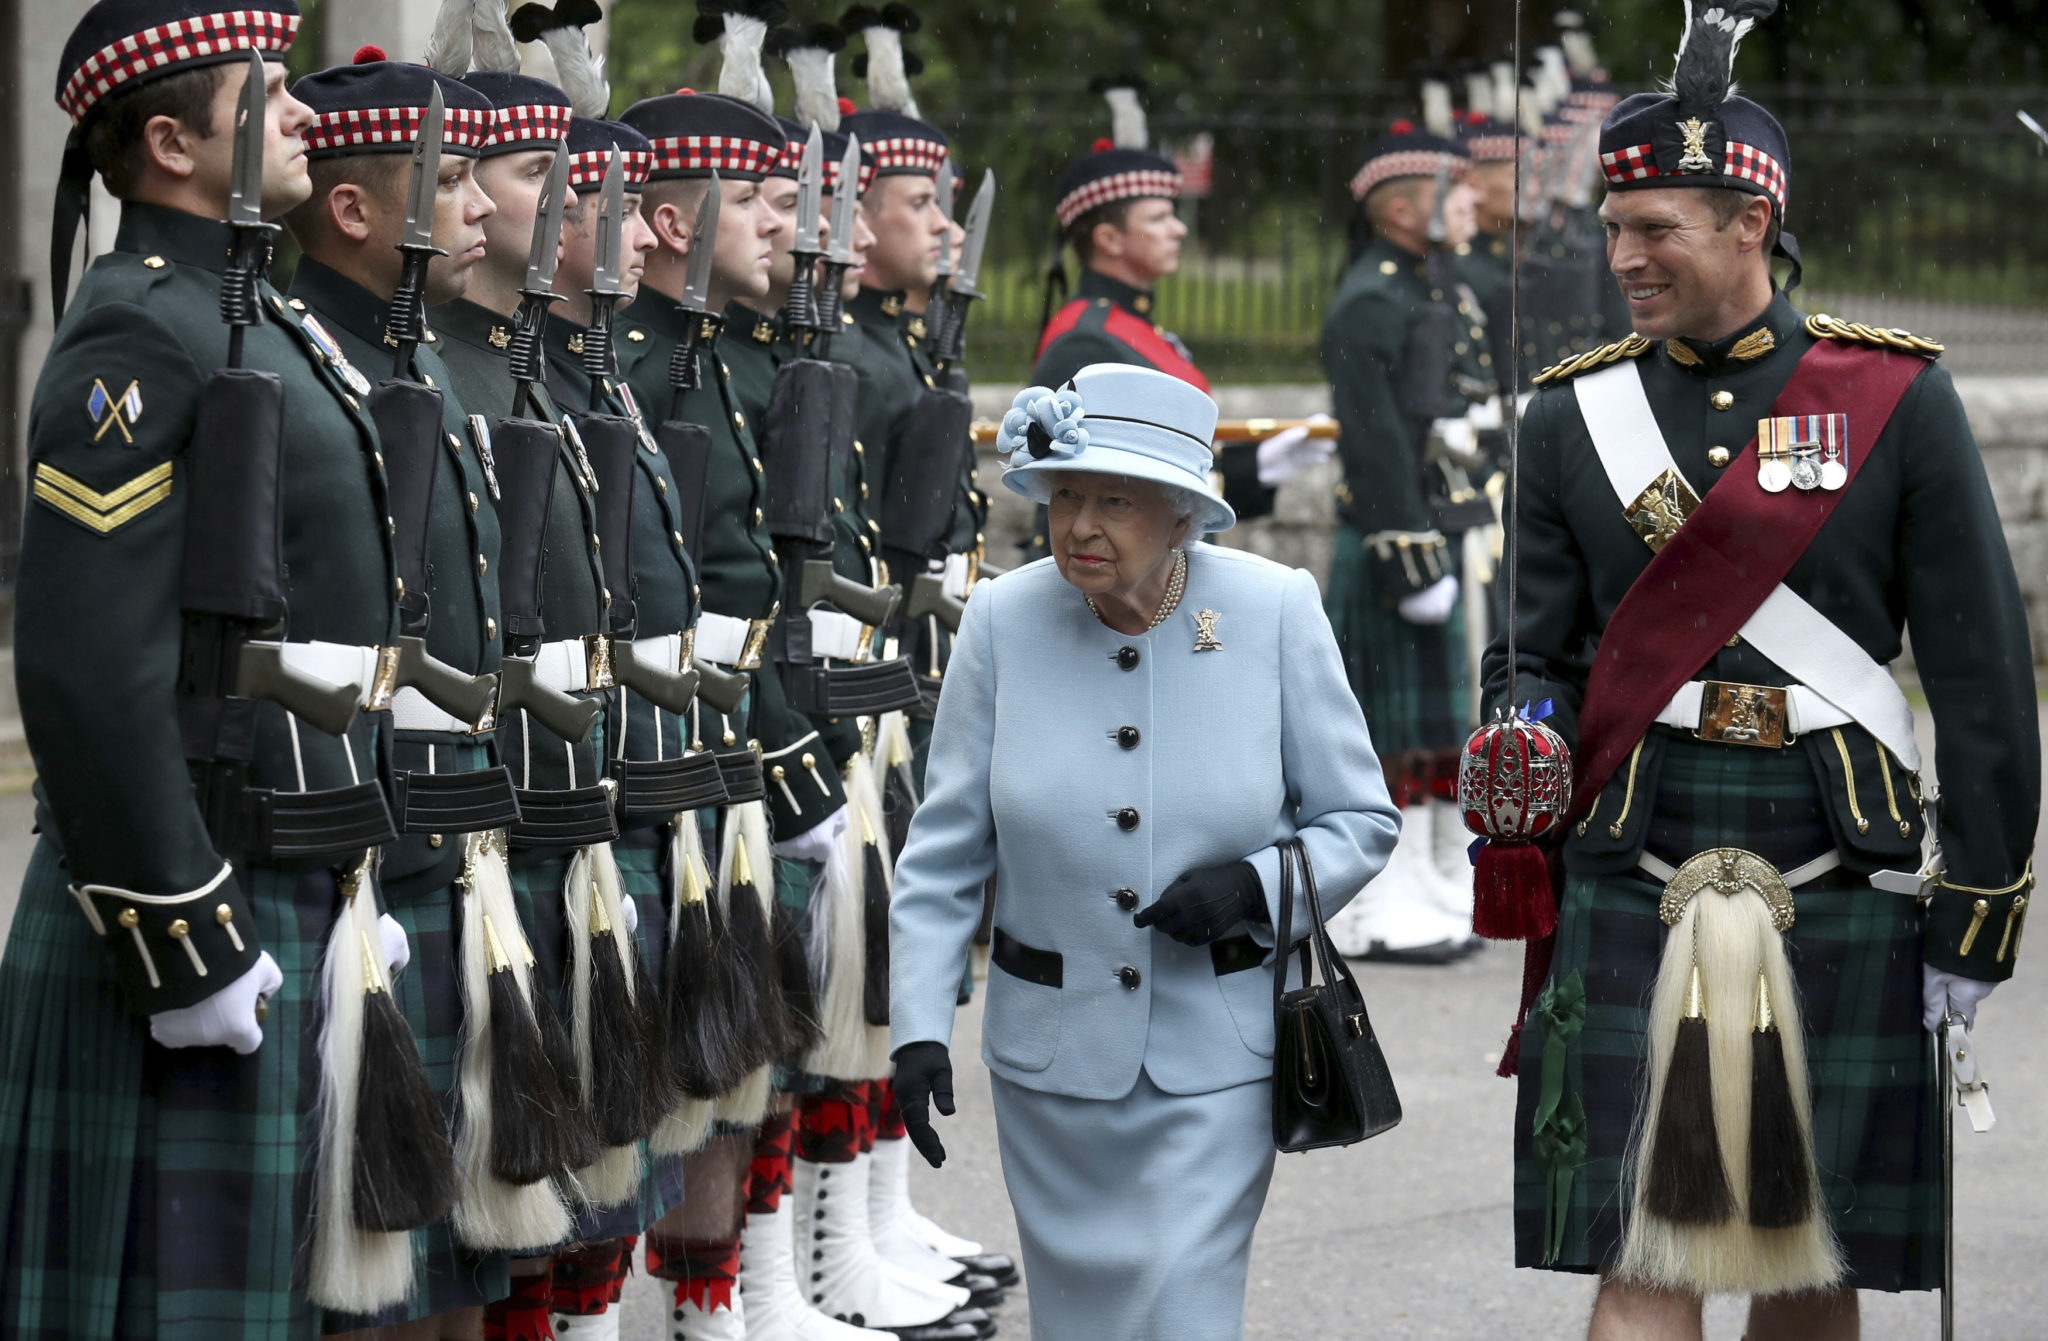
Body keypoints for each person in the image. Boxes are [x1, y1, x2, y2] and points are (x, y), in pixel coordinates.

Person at [1484, 3, 2038, 1337]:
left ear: (1750, 225)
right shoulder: (1572, 417)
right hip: (1635, 848)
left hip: (1836, 856)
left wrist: (1976, 897)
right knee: (1642, 1260)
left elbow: (1978, 675)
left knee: (1808, 1268)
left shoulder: (1893, 399)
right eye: (1616, 230)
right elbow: (1535, 651)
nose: (1621, 257)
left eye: (1654, 230)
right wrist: (1520, 738)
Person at [0, 3, 421, 1334]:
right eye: (270, 95)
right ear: (173, 142)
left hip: (286, 871)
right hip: (191, 900)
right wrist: (179, 930)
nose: (304, 115)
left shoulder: (265, 322)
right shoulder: (141, 327)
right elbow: (84, 663)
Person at [888, 363, 1401, 1341]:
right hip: (1051, 1069)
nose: (1078, 525)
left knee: (1182, 1310)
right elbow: (945, 851)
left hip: (1213, 1060)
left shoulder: (1272, 610)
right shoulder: (1000, 620)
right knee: (1077, 1322)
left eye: (1113, 501)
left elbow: (1360, 821)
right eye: (1064, 495)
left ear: (1181, 517)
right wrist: (915, 1025)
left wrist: (1253, 887)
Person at [282, 50, 536, 1337]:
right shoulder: (307, 355)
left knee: (437, 1246)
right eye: (456, 183)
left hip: (440, 824)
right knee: (367, 1266)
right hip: (355, 835)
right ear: (357, 208)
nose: (486, 207)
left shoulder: (410, 354)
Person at [1318, 117, 1496, 964]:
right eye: (1448, 187)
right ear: (1399, 207)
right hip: (1395, 542)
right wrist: (1409, 546)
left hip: (1442, 522)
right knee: (1382, 731)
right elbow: (1378, 438)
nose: (1468, 199)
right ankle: (1368, 900)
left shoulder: (1427, 285)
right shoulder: (1369, 301)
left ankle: (1426, 870)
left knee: (1432, 727)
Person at [1026, 78, 1326, 564]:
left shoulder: (1137, 331)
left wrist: (1260, 465)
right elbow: (1084, 489)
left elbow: (1165, 467)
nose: (1179, 228)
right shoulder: (1083, 340)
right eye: (1159, 218)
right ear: (1109, 239)